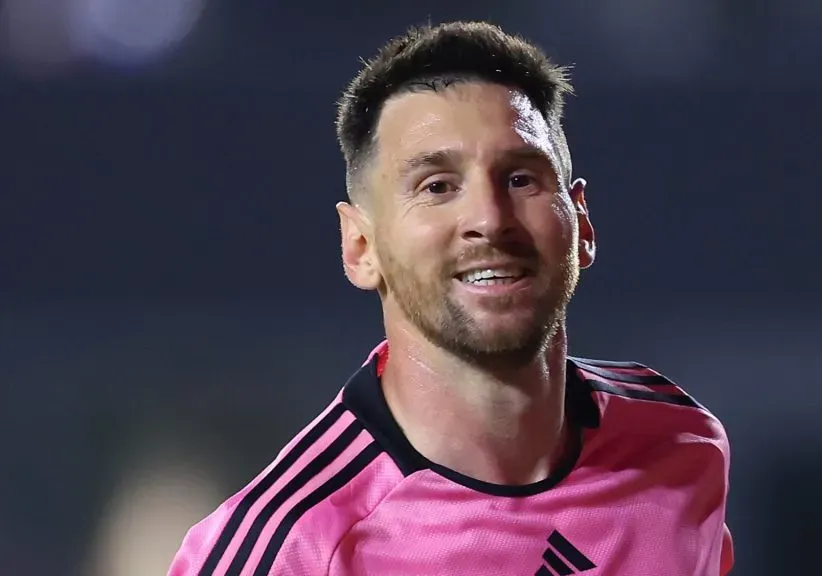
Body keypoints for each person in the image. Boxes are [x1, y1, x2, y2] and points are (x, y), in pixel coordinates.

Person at [168, 20, 733, 576]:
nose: (489, 220)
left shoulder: (679, 440)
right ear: (361, 246)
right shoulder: (288, 551)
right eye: (437, 187)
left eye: (520, 178)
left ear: (581, 223)